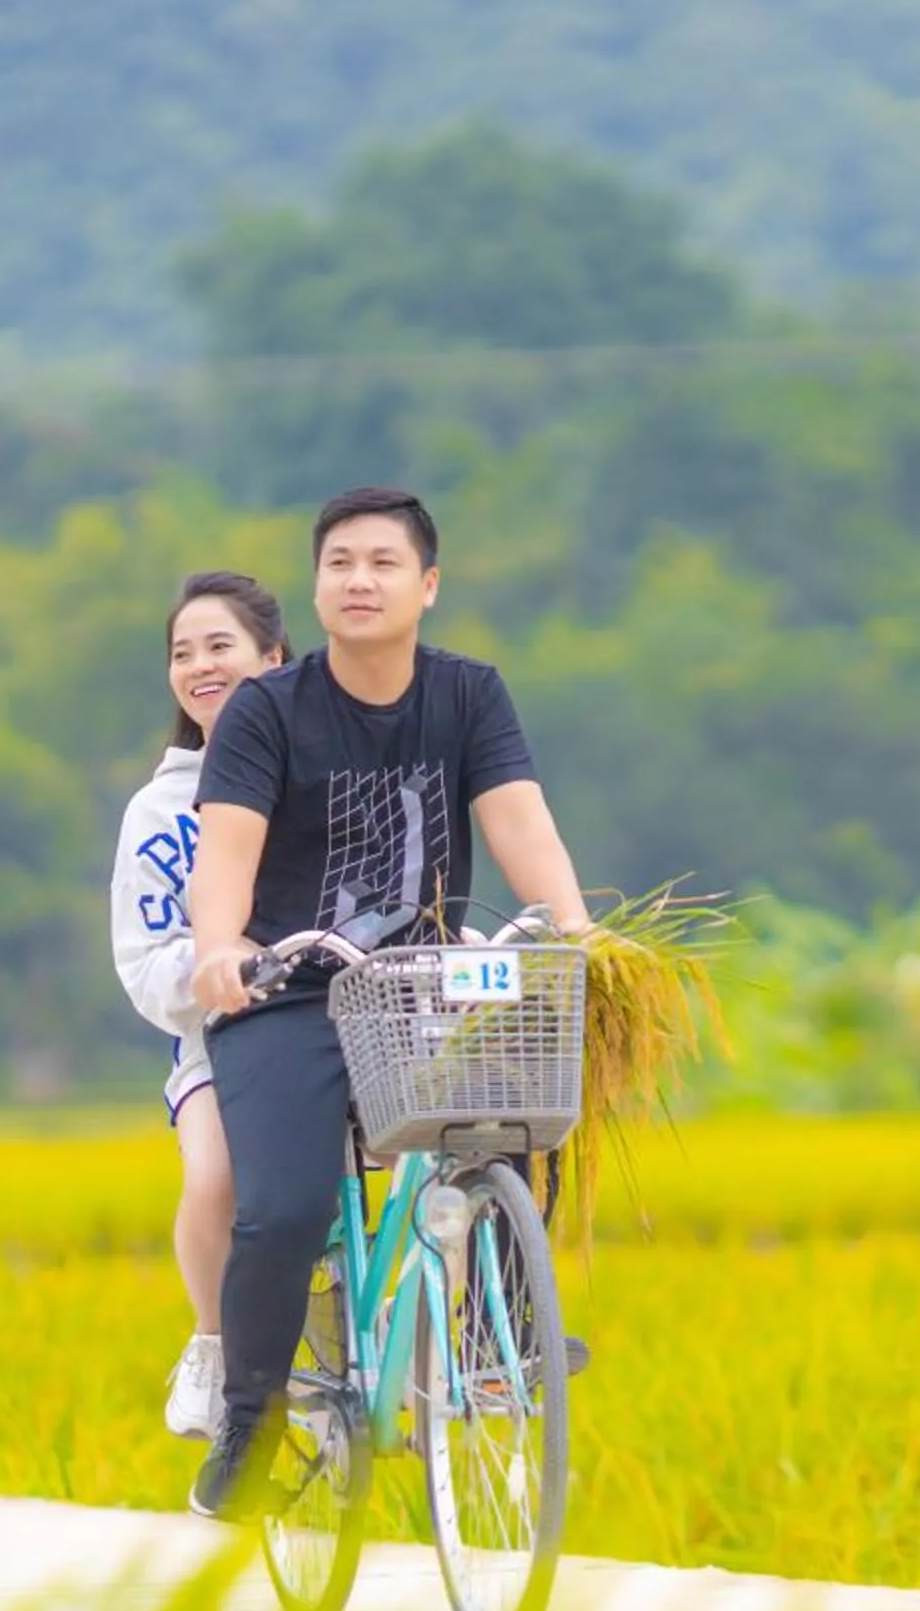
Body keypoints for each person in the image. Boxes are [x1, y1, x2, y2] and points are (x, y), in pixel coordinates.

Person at [183, 485, 592, 1521]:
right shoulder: (266, 711)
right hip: (290, 989)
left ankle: (491, 1336)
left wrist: (580, 928)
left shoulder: (469, 695)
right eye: (339, 564)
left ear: (429, 586)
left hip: (420, 987)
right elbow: (226, 851)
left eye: (383, 562)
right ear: (317, 587)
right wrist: (222, 946)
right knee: (284, 1207)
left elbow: (518, 821)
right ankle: (252, 1415)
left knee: (519, 1117)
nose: (359, 580)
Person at [107, 570, 292, 1443]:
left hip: (355, 1024)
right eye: (183, 652)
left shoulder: (328, 772)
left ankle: (469, 1341)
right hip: (220, 1041)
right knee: (215, 1176)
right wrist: (224, 965)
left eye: (221, 645)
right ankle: (215, 1342)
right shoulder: (160, 811)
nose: (200, 666)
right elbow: (145, 967)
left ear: (274, 657)